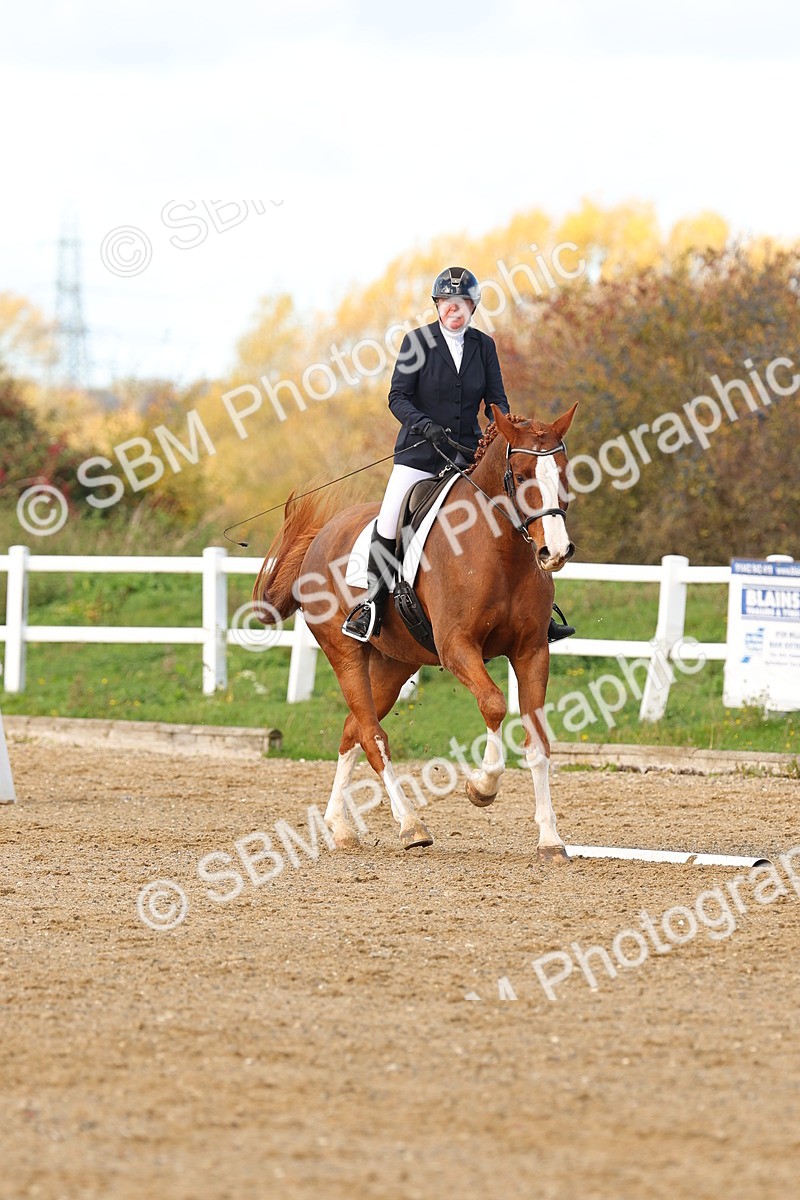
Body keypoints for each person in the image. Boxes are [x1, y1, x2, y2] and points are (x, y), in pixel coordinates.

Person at [342, 266, 574, 645]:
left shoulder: (484, 346)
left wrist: (504, 426)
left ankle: (540, 613)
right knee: (389, 519)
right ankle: (371, 604)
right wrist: (423, 425)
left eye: (463, 302)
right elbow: (397, 397)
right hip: (419, 455)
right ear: (438, 305)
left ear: (473, 307)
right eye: (449, 302)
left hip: (469, 456)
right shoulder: (416, 343)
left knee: (516, 512)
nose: (455, 309)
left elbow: (496, 399)